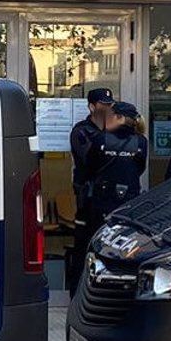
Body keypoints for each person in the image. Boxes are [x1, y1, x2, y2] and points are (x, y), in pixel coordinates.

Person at [74, 102, 148, 285]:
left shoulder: (101, 140)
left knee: (95, 245)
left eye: (111, 116)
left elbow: (87, 168)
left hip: (101, 203)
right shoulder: (141, 142)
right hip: (128, 204)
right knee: (124, 247)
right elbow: (139, 169)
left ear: (120, 118)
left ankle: (91, 287)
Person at [65, 87, 113, 291]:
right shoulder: (81, 131)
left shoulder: (115, 132)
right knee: (84, 247)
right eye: (103, 105)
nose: (108, 109)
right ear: (92, 107)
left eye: (110, 105)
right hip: (88, 199)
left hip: (111, 199)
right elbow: (89, 161)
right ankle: (77, 292)